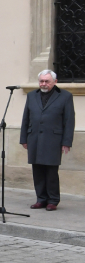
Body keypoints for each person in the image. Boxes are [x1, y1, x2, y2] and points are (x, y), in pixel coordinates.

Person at [20, 69, 75, 211]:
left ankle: (53, 200)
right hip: (34, 138)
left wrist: (66, 142)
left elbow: (69, 121)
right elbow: (26, 118)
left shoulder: (65, 96)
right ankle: (41, 199)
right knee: (37, 170)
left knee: (51, 172)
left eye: (47, 81)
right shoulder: (32, 95)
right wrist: (23, 138)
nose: (43, 84)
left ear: (55, 82)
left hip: (53, 139)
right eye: (41, 81)